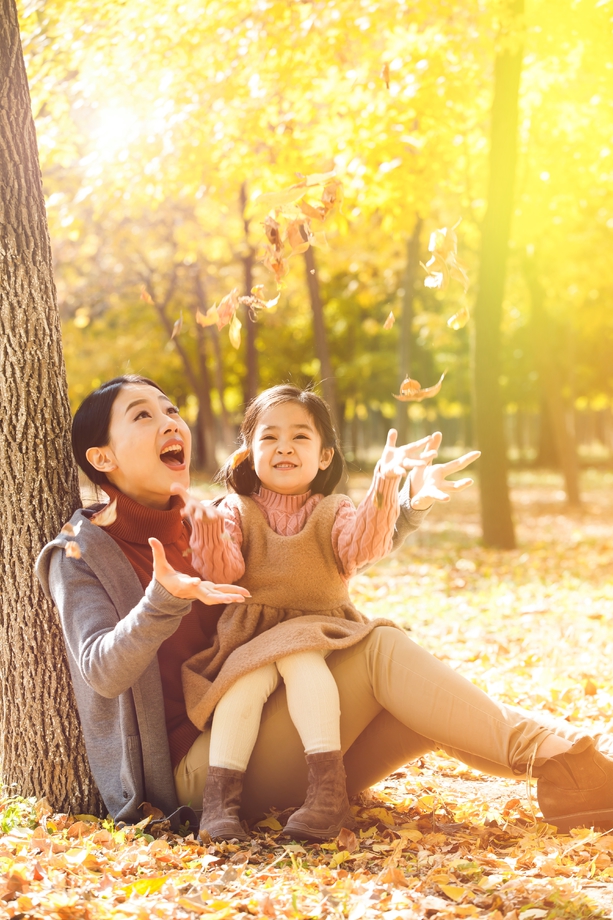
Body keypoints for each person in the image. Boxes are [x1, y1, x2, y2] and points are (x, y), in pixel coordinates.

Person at [35, 375, 613, 838]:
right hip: (201, 773)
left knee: (425, 706)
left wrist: (403, 503)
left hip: (280, 723)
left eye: (171, 411)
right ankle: (573, 761)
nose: (169, 422)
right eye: (143, 415)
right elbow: (101, 672)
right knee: (381, 648)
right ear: (102, 458)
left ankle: (575, 772)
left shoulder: (210, 518)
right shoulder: (82, 554)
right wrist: (163, 598)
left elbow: (315, 556)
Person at [180, 385, 467, 842]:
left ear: (326, 455)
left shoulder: (335, 509)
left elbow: (362, 548)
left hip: (318, 627)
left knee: (305, 665)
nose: (284, 447)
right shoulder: (235, 510)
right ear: (249, 454)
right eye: (269, 438)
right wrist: (209, 530)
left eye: (300, 437)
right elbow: (224, 570)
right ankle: (220, 804)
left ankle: (326, 795)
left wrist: (385, 483)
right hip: (250, 635)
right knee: (241, 689)